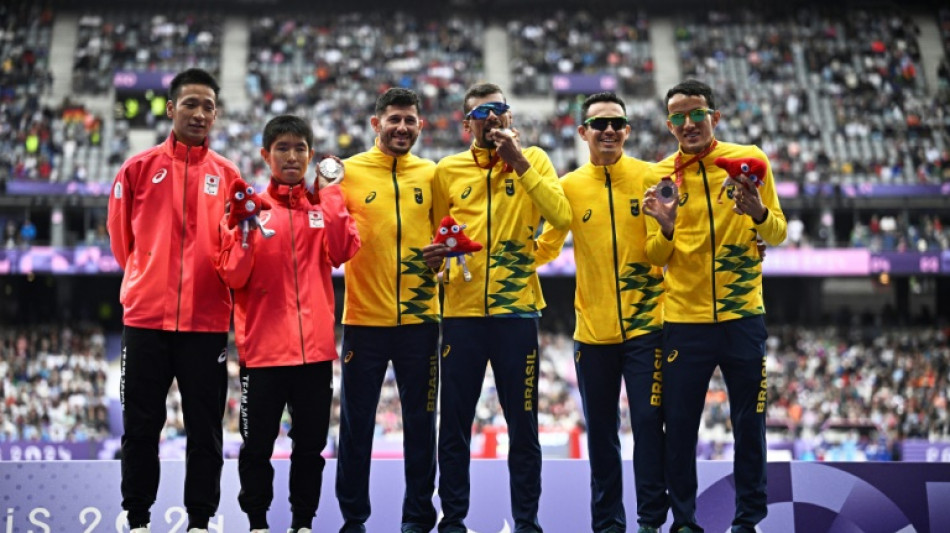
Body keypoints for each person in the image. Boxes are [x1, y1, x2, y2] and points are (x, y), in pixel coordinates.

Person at [422, 82, 572, 533]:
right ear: (466, 123)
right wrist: (438, 265)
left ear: (509, 117)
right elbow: (436, 238)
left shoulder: (536, 160)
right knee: (454, 426)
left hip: (516, 315)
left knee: (523, 425)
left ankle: (527, 522)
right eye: (481, 113)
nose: (491, 119)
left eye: (499, 111)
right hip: (462, 317)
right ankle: (453, 519)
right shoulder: (446, 171)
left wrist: (520, 163)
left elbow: (561, 219)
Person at [642, 79, 787, 533]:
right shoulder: (661, 176)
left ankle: (748, 521)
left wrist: (759, 213)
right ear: (669, 125)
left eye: (697, 113)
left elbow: (779, 232)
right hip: (684, 322)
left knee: (750, 424)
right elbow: (653, 257)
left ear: (714, 117)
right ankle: (684, 521)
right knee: (681, 429)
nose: (689, 123)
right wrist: (664, 228)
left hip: (744, 315)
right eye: (679, 117)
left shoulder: (751, 161)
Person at [107, 68, 241, 533]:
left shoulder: (228, 176)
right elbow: (121, 243)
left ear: (216, 114)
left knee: (204, 431)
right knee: (141, 427)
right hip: (145, 320)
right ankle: (138, 519)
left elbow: (235, 248)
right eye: (191, 104)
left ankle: (200, 522)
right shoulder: (137, 169)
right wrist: (148, 280)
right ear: (170, 108)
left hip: (206, 325)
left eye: (208, 106)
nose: (200, 113)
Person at [216, 115, 361, 533]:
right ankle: (258, 523)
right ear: (266, 155)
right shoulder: (249, 208)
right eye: (282, 148)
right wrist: (244, 231)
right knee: (257, 447)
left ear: (311, 155)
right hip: (262, 355)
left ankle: (302, 523)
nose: (292, 156)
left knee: (310, 449)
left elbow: (343, 249)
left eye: (300, 148)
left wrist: (331, 194)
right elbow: (233, 277)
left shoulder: (322, 207)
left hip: (314, 354)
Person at [535, 92, 667, 533]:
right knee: (603, 436)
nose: (608, 130)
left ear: (628, 130)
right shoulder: (569, 186)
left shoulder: (651, 176)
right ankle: (608, 524)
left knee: (649, 426)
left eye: (616, 123)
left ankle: (651, 521)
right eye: (599, 124)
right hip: (592, 334)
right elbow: (547, 246)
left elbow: (662, 251)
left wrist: (665, 226)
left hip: (649, 327)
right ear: (583, 132)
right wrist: (490, 257)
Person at [335, 88, 440, 533]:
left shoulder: (433, 174)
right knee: (357, 428)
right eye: (393, 119)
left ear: (421, 126)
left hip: (421, 321)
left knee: (422, 428)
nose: (401, 127)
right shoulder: (346, 173)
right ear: (376, 124)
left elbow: (448, 233)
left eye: (409, 120)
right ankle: (353, 520)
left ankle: (417, 519)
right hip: (364, 320)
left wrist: (443, 255)